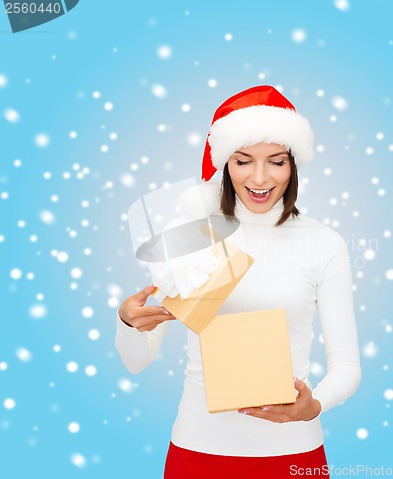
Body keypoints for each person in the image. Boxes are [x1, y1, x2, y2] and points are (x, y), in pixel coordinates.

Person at [116, 85, 361, 478]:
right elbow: (137, 360)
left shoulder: (323, 243)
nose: (260, 177)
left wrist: (314, 405)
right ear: (225, 165)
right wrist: (129, 322)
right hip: (197, 452)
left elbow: (347, 365)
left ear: (293, 164)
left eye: (276, 161)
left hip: (295, 454)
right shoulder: (192, 236)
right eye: (244, 160)